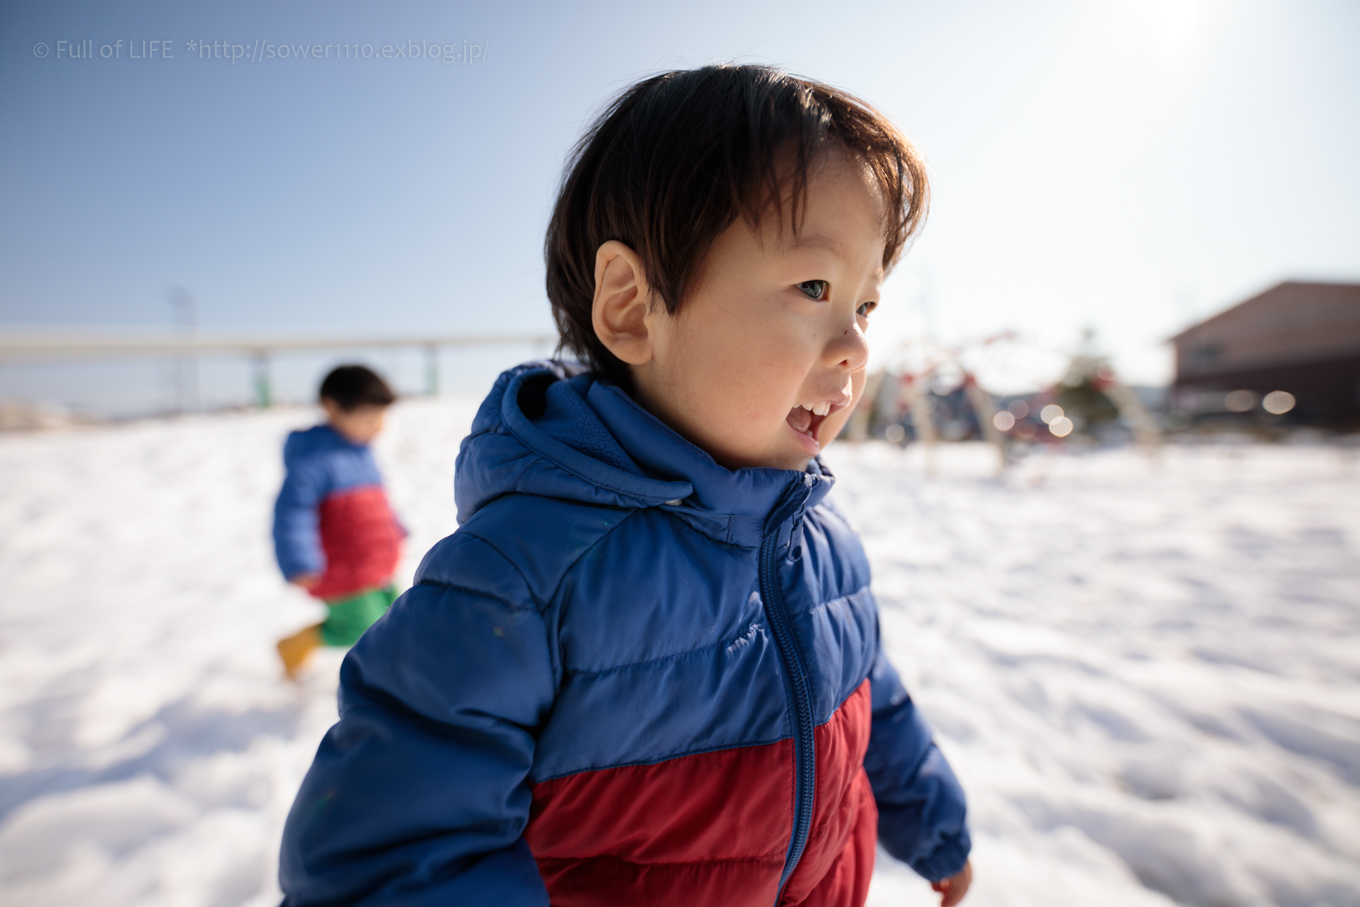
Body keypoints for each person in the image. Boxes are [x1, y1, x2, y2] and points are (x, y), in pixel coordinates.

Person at [279, 65, 972, 906]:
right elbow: (388, 859)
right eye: (814, 288)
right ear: (634, 309)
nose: (856, 346)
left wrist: (933, 822)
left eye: (865, 305)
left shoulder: (821, 540)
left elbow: (874, 700)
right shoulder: (524, 577)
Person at [272, 364, 405, 680]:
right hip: (340, 569)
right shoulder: (313, 462)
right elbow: (292, 514)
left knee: (396, 616)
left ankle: (395, 673)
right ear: (332, 408)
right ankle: (296, 645)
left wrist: (396, 531)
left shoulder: (362, 453)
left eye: (382, 417)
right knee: (358, 629)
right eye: (369, 418)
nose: (379, 427)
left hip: (375, 561)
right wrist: (298, 560)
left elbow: (375, 504)